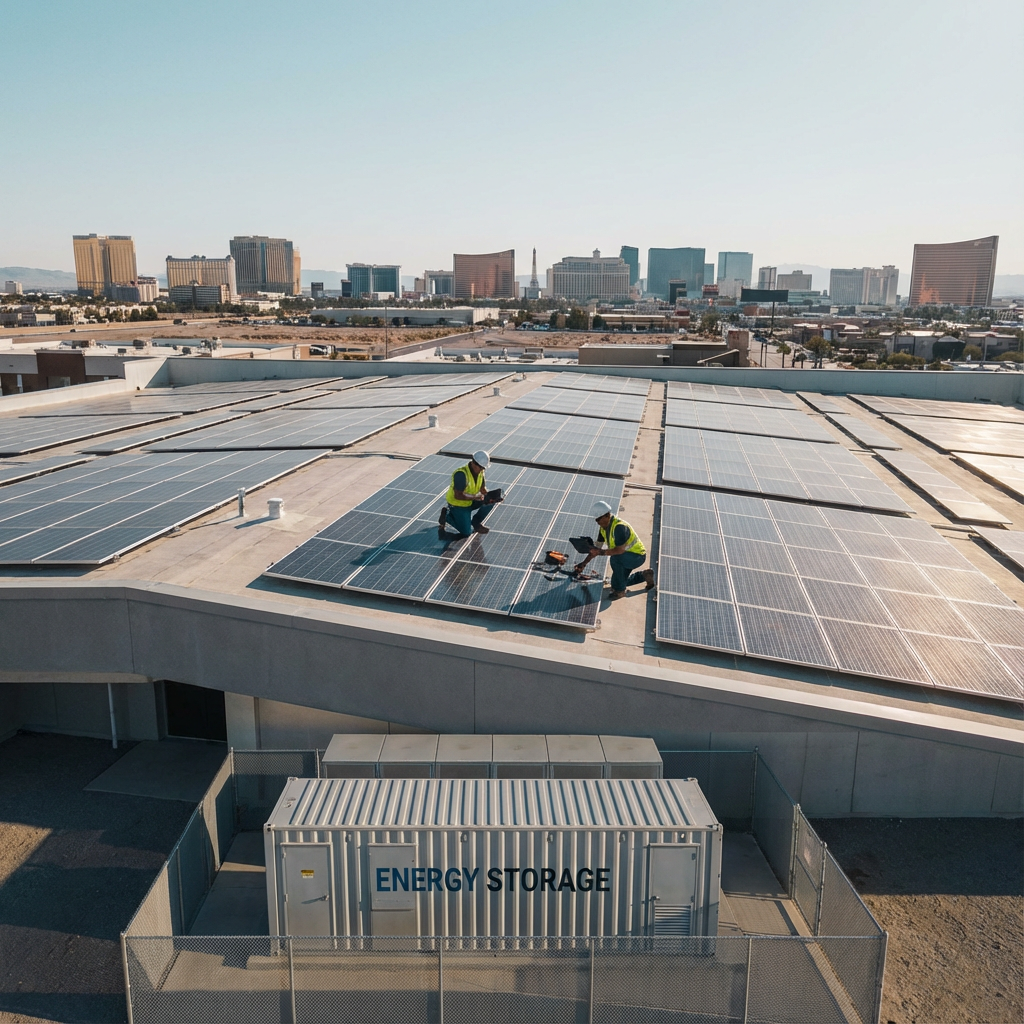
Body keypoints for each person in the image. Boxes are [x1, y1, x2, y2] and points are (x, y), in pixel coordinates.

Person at [576, 501, 654, 601]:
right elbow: (595, 550)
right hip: (626, 557)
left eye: (599, 519)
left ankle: (620, 592)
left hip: (636, 556)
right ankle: (644, 575)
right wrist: (583, 564)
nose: (598, 522)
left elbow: (619, 550)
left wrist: (601, 552)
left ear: (607, 515)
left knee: (615, 559)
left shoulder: (619, 527)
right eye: (596, 520)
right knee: (617, 582)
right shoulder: (603, 529)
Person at [439, 450, 494, 539]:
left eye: (483, 468)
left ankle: (476, 523)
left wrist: (493, 496)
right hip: (458, 504)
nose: (482, 470)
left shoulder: (480, 473)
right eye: (481, 467)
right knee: (466, 532)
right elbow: (458, 495)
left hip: (470, 501)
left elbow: (483, 489)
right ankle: (447, 515)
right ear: (474, 463)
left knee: (490, 501)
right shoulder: (461, 474)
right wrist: (476, 497)